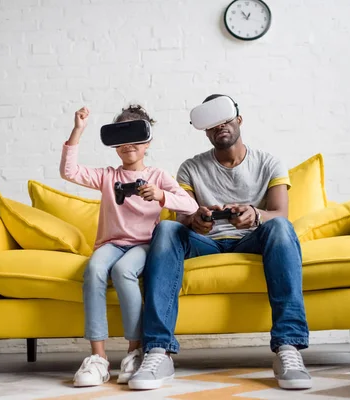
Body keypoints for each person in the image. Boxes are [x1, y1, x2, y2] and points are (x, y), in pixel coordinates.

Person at [128, 94, 311, 391]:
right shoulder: (190, 168)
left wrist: (254, 215)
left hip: (253, 239)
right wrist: (196, 218)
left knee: (279, 226)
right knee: (166, 229)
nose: (219, 126)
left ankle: (288, 348)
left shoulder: (269, 163)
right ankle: (158, 351)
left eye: (225, 118)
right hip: (206, 242)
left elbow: (280, 214)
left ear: (239, 119)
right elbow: (184, 215)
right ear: (204, 130)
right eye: (211, 123)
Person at [60, 104, 199, 387]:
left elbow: (191, 204)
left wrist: (161, 196)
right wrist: (78, 130)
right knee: (95, 269)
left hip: (144, 245)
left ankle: (135, 351)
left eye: (136, 137)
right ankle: (98, 358)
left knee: (123, 271)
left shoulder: (158, 176)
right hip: (111, 243)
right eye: (121, 139)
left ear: (147, 143)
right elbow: (69, 171)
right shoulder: (108, 176)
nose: (128, 145)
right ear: (114, 145)